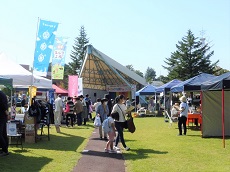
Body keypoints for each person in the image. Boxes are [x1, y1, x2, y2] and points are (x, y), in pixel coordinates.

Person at [0, 90, 9, 156]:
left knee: (1, 134)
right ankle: (5, 149)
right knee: (3, 133)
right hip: (3, 116)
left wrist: (7, 114)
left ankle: (5, 149)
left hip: (1, 116)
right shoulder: (2, 94)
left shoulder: (1, 94)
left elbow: (4, 106)